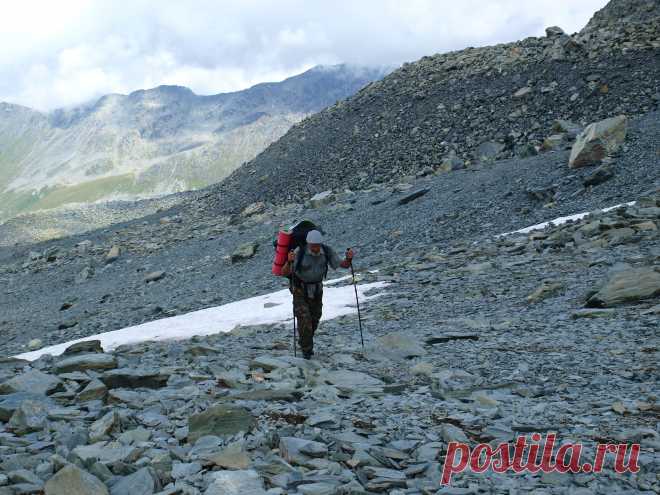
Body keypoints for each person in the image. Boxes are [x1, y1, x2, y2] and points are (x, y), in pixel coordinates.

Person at [281, 230, 354, 359]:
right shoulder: (299, 252)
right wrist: (289, 261)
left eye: (318, 244)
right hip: (299, 289)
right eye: (313, 245)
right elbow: (284, 272)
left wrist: (348, 258)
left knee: (315, 318)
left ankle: (304, 341)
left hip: (317, 289)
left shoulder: (326, 251)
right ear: (308, 243)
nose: (315, 248)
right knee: (304, 319)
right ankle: (307, 350)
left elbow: (343, 265)